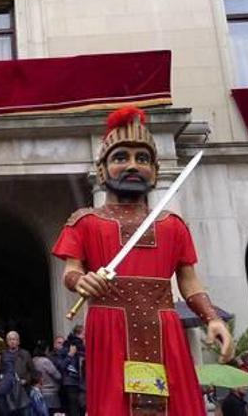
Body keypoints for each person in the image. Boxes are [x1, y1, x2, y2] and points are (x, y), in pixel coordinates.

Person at [52, 106, 234, 415]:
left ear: (155, 168)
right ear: (102, 168)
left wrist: (211, 318)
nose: (133, 165)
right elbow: (71, 271)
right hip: (109, 327)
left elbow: (188, 280)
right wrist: (81, 280)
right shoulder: (84, 222)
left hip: (163, 324)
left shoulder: (173, 224)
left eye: (143, 158)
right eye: (121, 157)